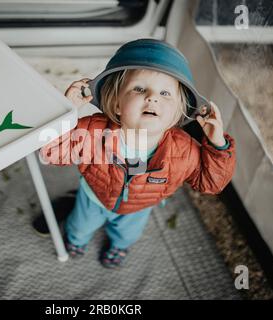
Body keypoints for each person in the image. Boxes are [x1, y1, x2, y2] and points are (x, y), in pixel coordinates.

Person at [39, 39, 236, 269]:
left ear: (176, 114)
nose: (152, 97)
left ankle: (119, 246)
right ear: (118, 104)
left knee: (127, 234)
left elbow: (210, 183)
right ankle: (75, 240)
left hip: (138, 207)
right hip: (93, 196)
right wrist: (68, 113)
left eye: (165, 93)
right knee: (79, 225)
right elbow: (51, 152)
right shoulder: (93, 131)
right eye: (140, 89)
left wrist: (217, 144)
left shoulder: (183, 150)